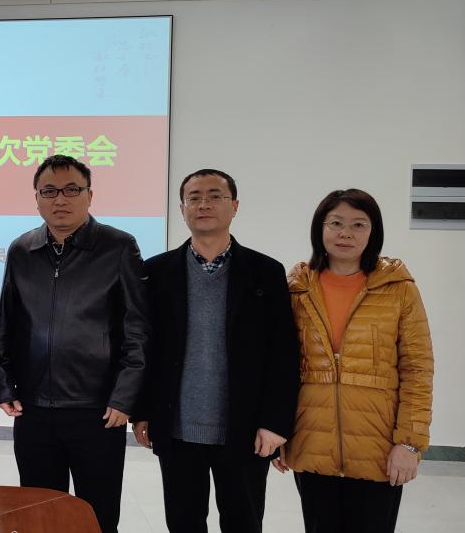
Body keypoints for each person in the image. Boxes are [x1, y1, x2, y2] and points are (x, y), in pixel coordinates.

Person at [132, 169, 300, 533]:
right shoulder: (156, 272)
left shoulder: (265, 272)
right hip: (177, 427)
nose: (203, 204)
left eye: (214, 196)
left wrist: (275, 422)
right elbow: (145, 348)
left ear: (234, 206)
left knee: (243, 522)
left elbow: (283, 354)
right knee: (183, 522)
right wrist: (142, 411)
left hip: (244, 428)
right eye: (194, 198)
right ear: (182, 209)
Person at [0, 154, 150, 533]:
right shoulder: (21, 250)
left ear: (89, 195)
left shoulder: (117, 246)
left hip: (97, 409)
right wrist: (5, 384)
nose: (60, 199)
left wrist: (124, 397)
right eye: (49, 191)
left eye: (71, 190)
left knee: (97, 516)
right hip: (33, 409)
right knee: (38, 515)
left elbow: (138, 329)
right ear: (37, 198)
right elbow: (7, 324)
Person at [273, 188, 433, 533]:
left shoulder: (398, 288)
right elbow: (280, 368)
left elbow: (417, 370)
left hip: (379, 449)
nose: (345, 233)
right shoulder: (297, 288)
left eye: (358, 224)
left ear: (373, 232)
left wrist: (409, 443)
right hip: (313, 445)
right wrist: (279, 429)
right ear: (320, 228)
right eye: (336, 223)